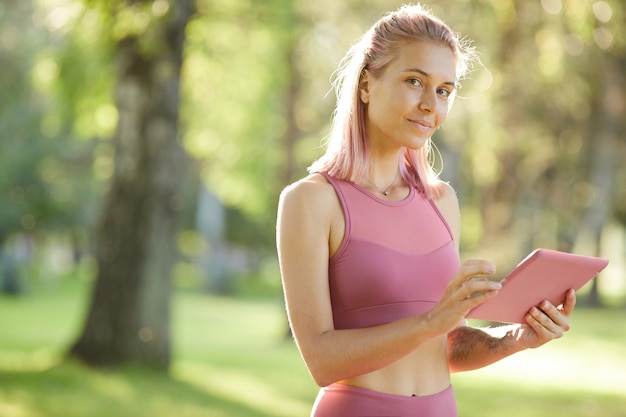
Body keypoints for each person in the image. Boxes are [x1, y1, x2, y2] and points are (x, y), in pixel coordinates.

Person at [276, 4, 575, 416]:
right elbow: (321, 361)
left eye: (444, 90)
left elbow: (446, 345)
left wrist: (519, 337)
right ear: (367, 84)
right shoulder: (312, 201)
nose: (430, 104)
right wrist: (430, 322)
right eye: (414, 81)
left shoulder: (441, 202)